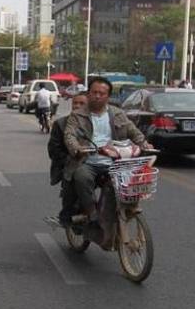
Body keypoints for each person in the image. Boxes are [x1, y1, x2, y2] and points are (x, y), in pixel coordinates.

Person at [64, 77, 151, 224]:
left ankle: (129, 206)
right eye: (94, 92)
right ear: (89, 94)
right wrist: (77, 149)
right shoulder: (77, 115)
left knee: (135, 177)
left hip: (115, 160)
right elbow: (69, 135)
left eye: (102, 93)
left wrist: (144, 143)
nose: (98, 96)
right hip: (88, 161)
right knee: (81, 177)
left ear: (108, 96)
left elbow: (132, 130)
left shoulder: (117, 113)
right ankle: (91, 212)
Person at [47, 92, 88, 226]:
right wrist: (70, 160)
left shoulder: (95, 122)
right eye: (75, 103)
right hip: (69, 164)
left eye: (82, 103)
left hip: (93, 163)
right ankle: (67, 215)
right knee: (73, 179)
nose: (77, 106)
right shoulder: (61, 123)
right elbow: (54, 149)